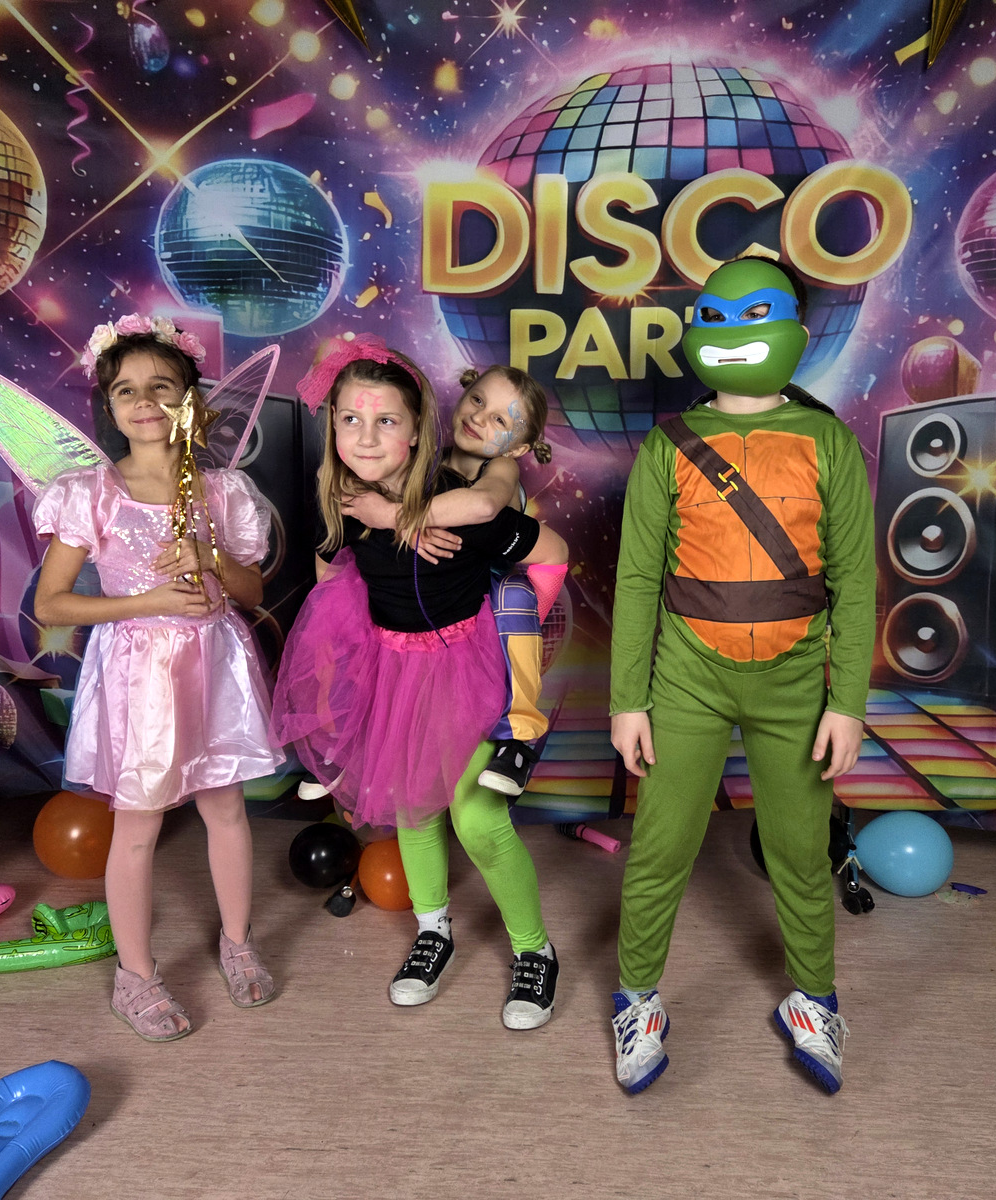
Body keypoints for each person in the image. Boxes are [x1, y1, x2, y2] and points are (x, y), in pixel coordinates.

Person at [608, 257, 876, 1094]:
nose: (732, 334)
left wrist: (848, 703)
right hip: (686, 677)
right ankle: (637, 998)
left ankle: (814, 998)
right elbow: (637, 579)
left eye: (754, 315)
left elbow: (855, 581)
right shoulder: (668, 446)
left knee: (800, 849)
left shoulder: (829, 441)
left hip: (795, 682)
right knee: (661, 846)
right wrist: (627, 700)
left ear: (794, 328)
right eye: (714, 318)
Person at [270, 338, 568, 1028]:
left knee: (478, 820)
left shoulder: (459, 506)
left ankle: (535, 949)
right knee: (411, 807)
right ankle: (434, 929)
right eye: (351, 419)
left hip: (465, 668)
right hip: (393, 672)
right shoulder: (341, 502)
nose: (367, 437)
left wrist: (514, 620)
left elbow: (550, 551)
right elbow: (330, 585)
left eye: (385, 421)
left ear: (416, 431)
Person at [33, 316, 280, 1042]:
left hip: (215, 664)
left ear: (189, 399)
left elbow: (252, 591)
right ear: (110, 406)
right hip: (141, 675)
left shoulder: (222, 490)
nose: (144, 402)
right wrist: (146, 600)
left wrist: (209, 557)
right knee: (137, 824)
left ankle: (237, 940)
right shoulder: (92, 492)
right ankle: (135, 976)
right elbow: (52, 604)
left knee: (225, 806)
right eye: (126, 391)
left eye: (162, 387)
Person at [334, 363, 567, 797]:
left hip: (495, 595)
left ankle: (517, 739)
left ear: (519, 447)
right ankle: (340, 736)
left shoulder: (500, 468)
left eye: (499, 420)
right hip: (441, 603)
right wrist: (402, 522)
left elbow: (482, 506)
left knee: (514, 595)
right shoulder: (429, 462)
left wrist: (393, 516)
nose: (479, 417)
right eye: (477, 400)